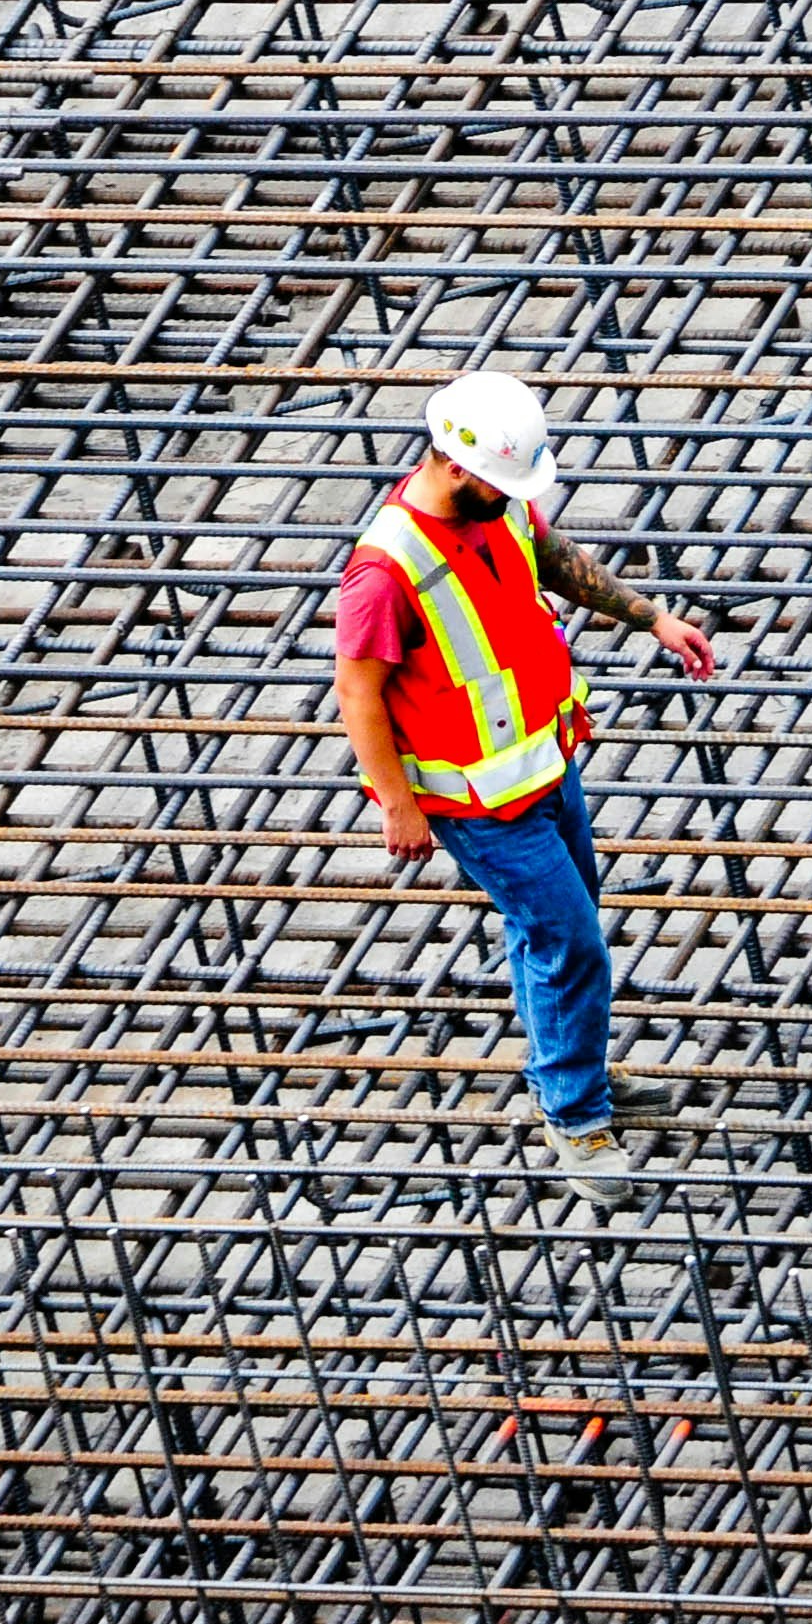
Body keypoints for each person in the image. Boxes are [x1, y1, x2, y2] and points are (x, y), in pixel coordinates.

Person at [335, 370, 714, 1206]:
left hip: (545, 764)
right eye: (500, 486)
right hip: (478, 803)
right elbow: (357, 688)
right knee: (567, 940)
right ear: (457, 467)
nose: (513, 502)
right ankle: (576, 1119)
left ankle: (573, 1074)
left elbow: (552, 555)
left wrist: (653, 617)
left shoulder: (496, 506)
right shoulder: (386, 571)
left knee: (559, 937)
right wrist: (396, 803)